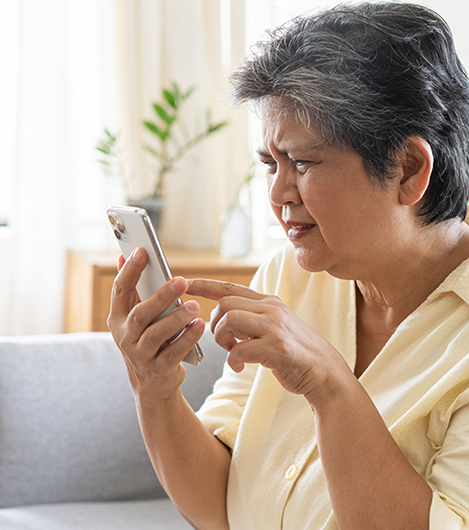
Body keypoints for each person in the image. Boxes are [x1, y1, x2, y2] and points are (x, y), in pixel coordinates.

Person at [107, 2, 469, 529]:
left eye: (302, 162)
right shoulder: (289, 276)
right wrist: (155, 390)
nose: (277, 193)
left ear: (408, 168)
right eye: (269, 164)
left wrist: (328, 383)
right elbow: (217, 507)